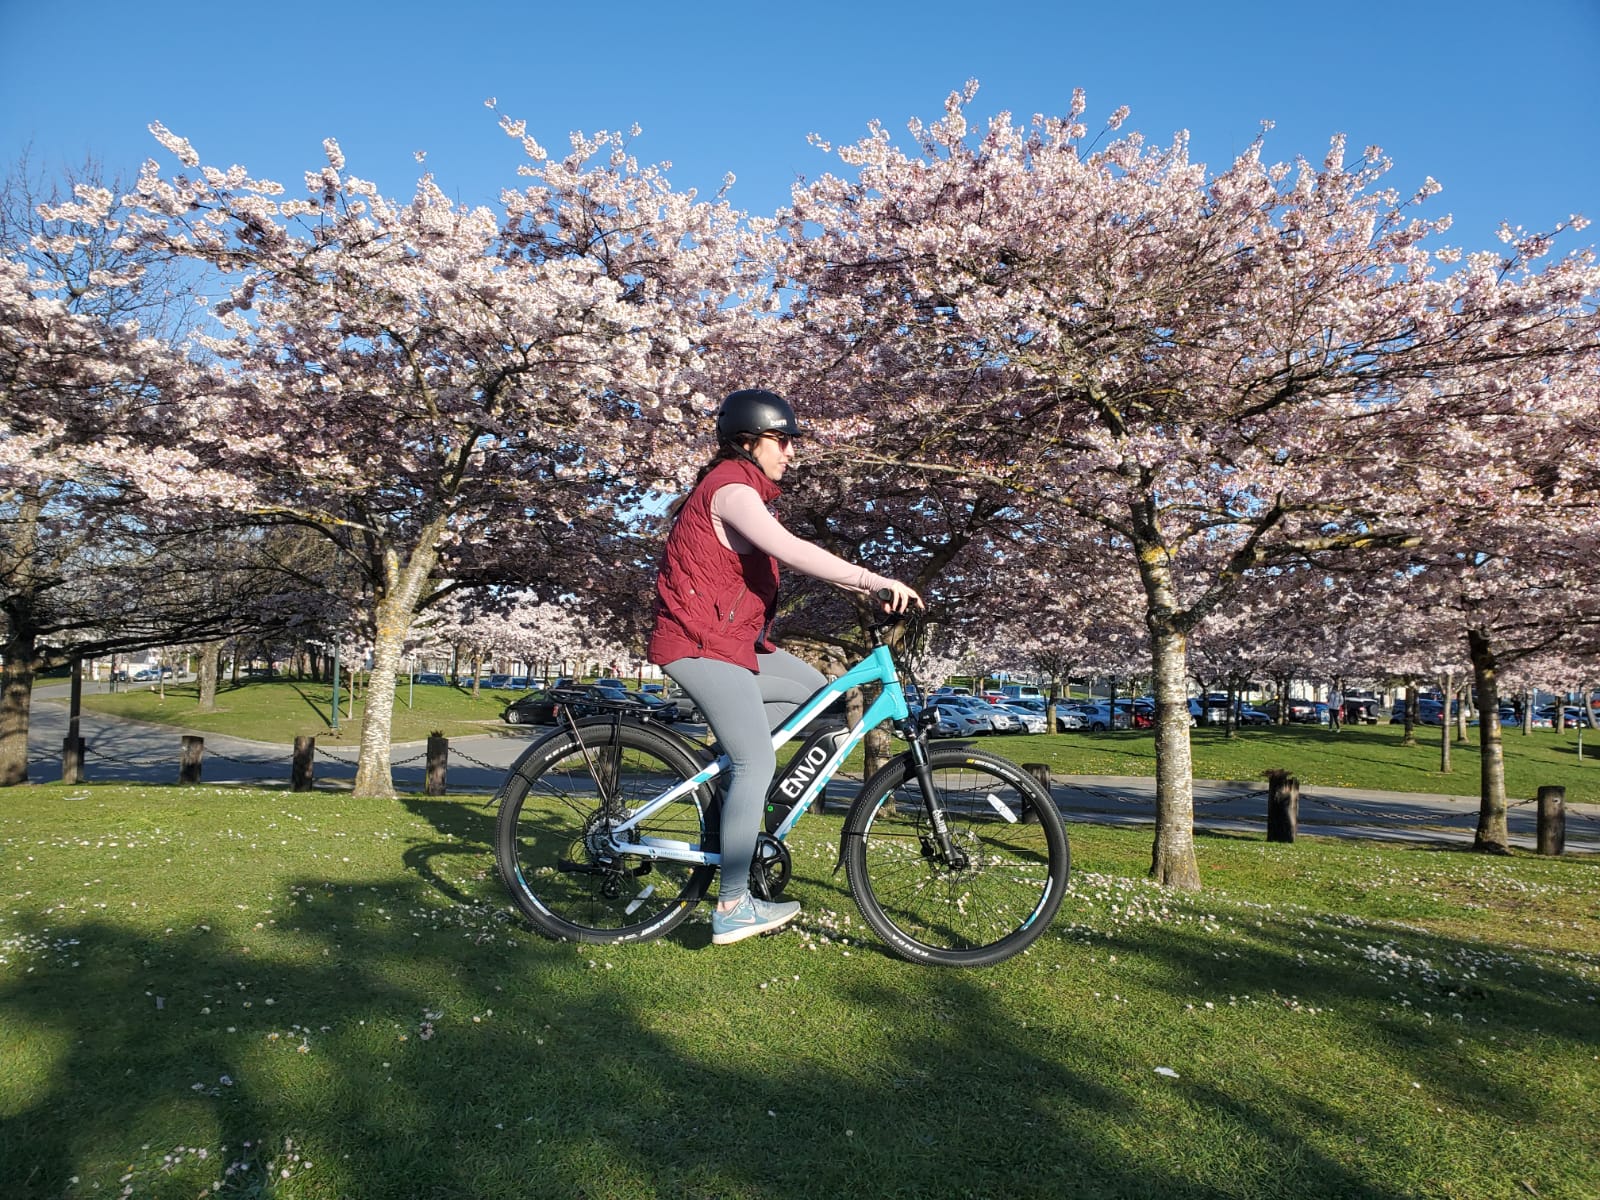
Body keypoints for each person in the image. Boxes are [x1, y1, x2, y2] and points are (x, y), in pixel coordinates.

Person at [648, 388, 921, 945]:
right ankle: (732, 903)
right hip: (698, 644)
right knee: (755, 761)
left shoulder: (742, 487)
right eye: (783, 440)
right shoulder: (729, 487)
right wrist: (874, 579)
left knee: (822, 702)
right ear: (749, 440)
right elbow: (789, 547)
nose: (791, 452)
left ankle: (734, 813)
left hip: (732, 645)